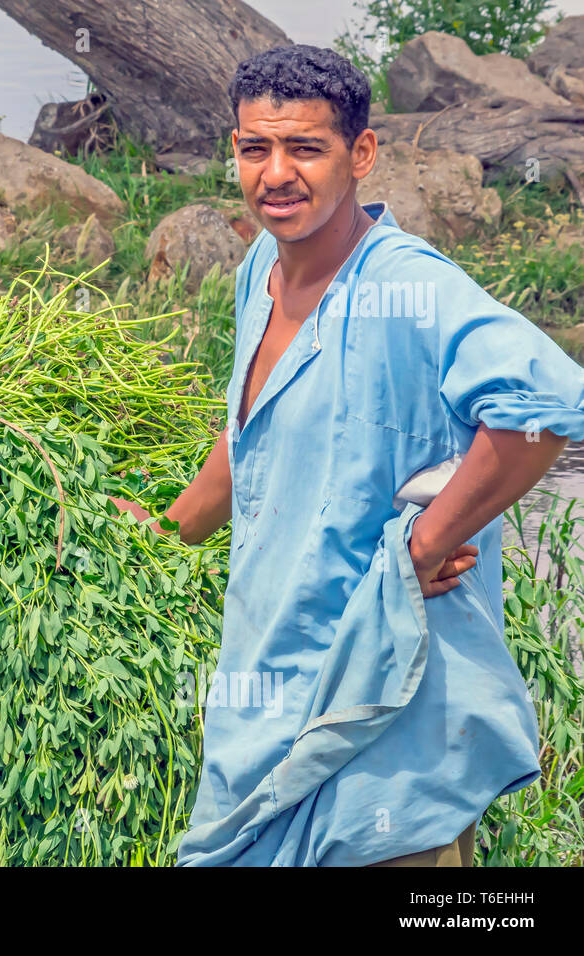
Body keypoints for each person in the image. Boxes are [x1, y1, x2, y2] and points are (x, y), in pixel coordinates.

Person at [111, 44, 584, 866]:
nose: (277, 174)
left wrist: (427, 541)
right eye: (256, 149)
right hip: (273, 686)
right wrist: (168, 530)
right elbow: (251, 424)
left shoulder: (406, 287)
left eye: (306, 148)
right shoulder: (260, 269)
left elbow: (544, 408)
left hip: (385, 716)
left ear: (361, 154)